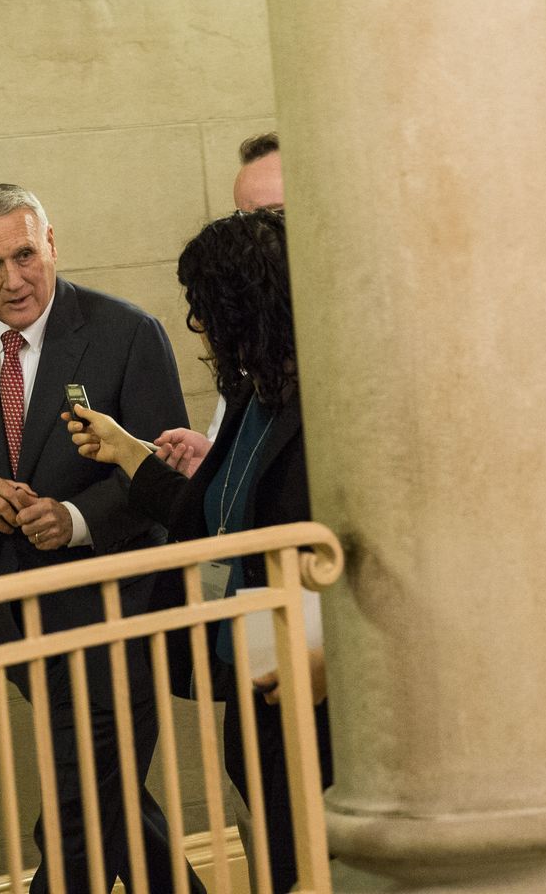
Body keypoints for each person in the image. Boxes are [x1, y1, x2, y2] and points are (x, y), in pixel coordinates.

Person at [0, 184, 199, 894]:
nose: (11, 281)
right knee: (110, 805)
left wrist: (76, 521)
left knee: (80, 814)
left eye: (23, 255)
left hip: (117, 608)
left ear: (52, 244)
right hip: (15, 608)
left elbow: (163, 480)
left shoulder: (127, 332)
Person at [65, 209, 334, 894]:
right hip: (250, 682)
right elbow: (207, 521)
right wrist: (128, 451)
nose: (198, 328)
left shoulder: (331, 402)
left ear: (243, 308)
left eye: (204, 309)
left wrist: (336, 650)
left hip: (321, 686)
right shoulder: (250, 394)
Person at [154, 132, 287, 476]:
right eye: (243, 222)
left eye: (275, 217)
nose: (254, 240)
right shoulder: (249, 335)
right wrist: (212, 458)